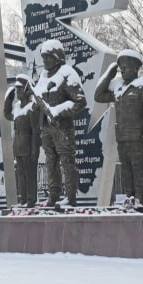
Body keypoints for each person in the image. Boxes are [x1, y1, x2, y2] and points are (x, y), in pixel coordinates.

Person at [95, 49, 143, 203]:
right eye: (121, 66)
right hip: (122, 138)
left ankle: (139, 200)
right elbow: (98, 96)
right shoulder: (118, 87)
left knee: (139, 171)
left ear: (135, 68)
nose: (122, 69)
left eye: (126, 66)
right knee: (126, 171)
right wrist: (109, 74)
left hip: (138, 138)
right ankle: (129, 198)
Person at [33, 39, 86, 208]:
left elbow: (80, 101)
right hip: (46, 128)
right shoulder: (43, 75)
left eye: (49, 57)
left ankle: (70, 197)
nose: (46, 60)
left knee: (67, 161)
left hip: (62, 128)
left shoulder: (67, 73)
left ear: (58, 56)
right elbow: (40, 98)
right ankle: (53, 196)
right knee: (51, 162)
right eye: (44, 57)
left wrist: (58, 111)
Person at [2, 74, 40, 206]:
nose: (18, 92)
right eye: (17, 89)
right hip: (18, 146)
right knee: (21, 175)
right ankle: (22, 199)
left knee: (30, 176)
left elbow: (36, 131)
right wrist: (9, 99)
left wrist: (35, 149)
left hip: (28, 147)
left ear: (26, 90)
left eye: (20, 89)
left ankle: (30, 199)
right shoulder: (17, 107)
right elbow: (7, 115)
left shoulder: (32, 108)